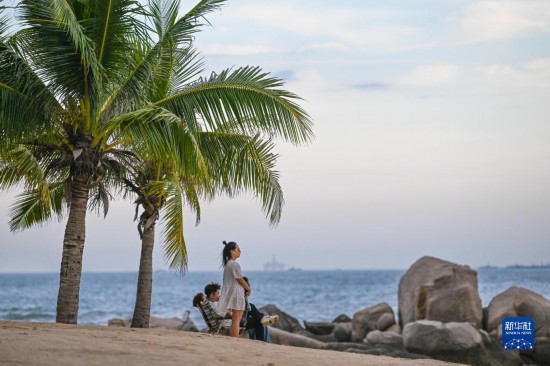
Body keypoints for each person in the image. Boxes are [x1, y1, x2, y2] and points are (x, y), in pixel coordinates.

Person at [218, 241, 251, 337]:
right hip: (236, 294)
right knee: (237, 319)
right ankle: (235, 340)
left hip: (232, 293)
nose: (240, 251)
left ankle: (234, 339)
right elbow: (240, 279)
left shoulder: (228, 264)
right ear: (232, 251)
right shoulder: (234, 264)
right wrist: (248, 289)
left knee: (235, 320)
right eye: (238, 249)